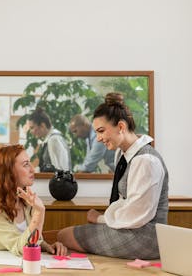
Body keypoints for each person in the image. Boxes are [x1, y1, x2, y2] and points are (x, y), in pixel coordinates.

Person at [58, 92, 168, 260]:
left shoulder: (145, 161)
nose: (99, 138)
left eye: (101, 131)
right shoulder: (123, 155)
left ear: (121, 127)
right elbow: (126, 203)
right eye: (96, 133)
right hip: (131, 229)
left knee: (64, 235)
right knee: (63, 235)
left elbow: (136, 215)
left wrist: (101, 219)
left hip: (145, 237)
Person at [0, 144, 67, 256]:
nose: (33, 169)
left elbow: (30, 238)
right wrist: (39, 212)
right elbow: (21, 248)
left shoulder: (27, 201)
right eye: (26, 165)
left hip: (11, 261)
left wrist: (47, 246)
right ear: (9, 171)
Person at [28, 107, 71, 172]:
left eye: (32, 127)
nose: (31, 131)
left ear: (42, 125)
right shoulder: (50, 139)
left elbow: (59, 169)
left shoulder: (54, 140)